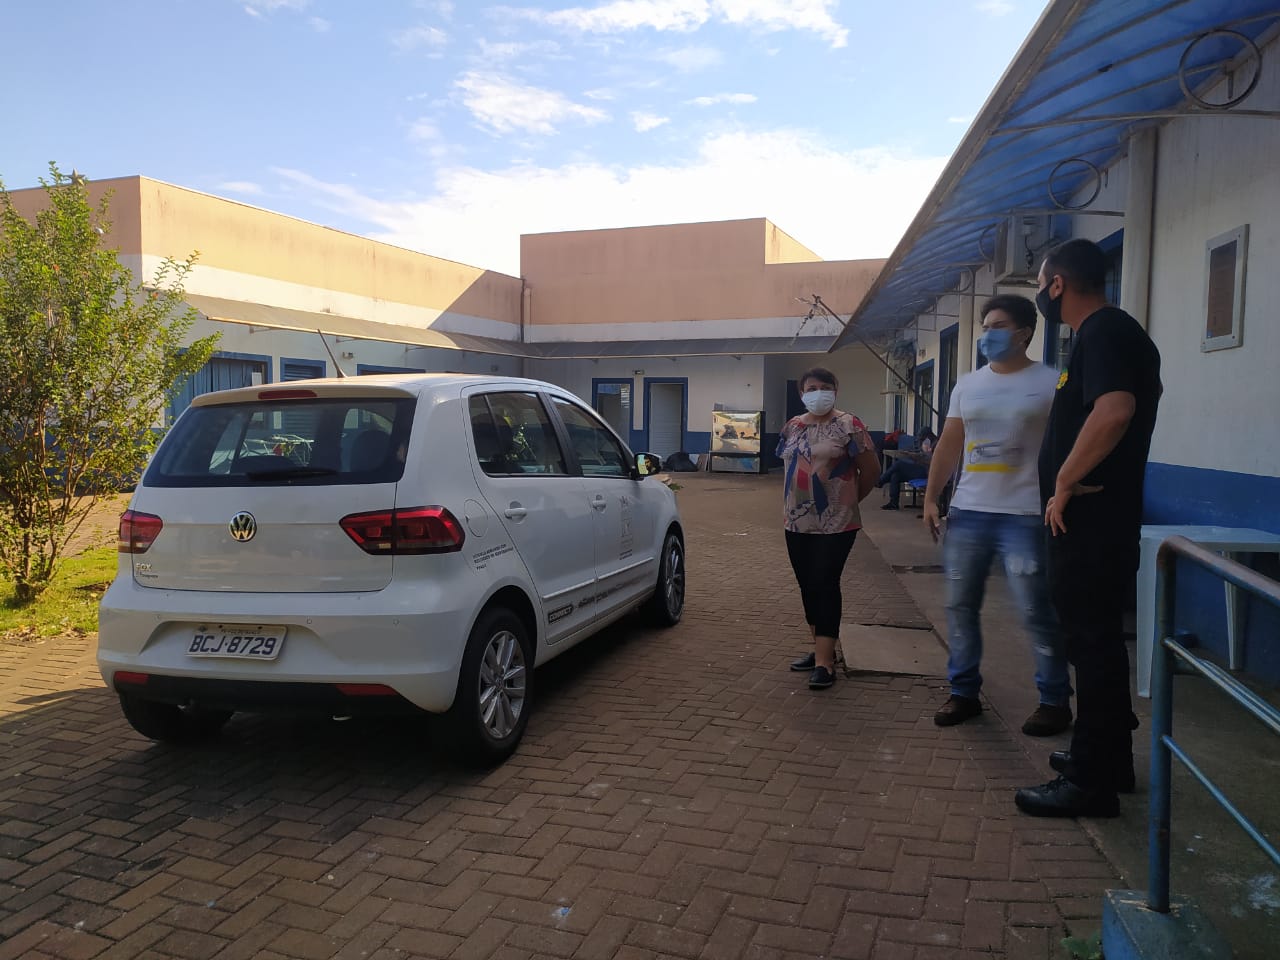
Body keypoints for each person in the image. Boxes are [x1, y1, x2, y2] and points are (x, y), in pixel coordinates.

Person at [1015, 239, 1162, 818]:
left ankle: (1090, 783)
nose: (1042, 295)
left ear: (1057, 284)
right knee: (1094, 642)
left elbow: (1115, 410)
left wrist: (1065, 480)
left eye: (1041, 285)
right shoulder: (1103, 334)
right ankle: (1109, 759)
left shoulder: (1105, 331)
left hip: (1092, 522)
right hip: (1093, 521)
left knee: (1092, 646)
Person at [922, 294, 1072, 737]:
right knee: (960, 607)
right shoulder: (968, 385)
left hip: (1026, 514)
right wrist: (932, 498)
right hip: (969, 512)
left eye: (999, 326)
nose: (988, 334)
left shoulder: (1051, 382)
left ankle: (1054, 701)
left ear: (1024, 332)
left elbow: (1071, 443)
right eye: (985, 326)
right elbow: (950, 444)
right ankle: (963, 692)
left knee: (1035, 610)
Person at [777, 367, 881, 690]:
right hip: (796, 521)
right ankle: (821, 648)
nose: (818, 392)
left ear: (835, 390)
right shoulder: (793, 426)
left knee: (824, 582)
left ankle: (825, 663)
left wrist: (849, 502)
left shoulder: (850, 425)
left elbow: (871, 470)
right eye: (811, 388)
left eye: (825, 386)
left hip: (836, 523)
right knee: (807, 585)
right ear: (802, 393)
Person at [876, 427, 936, 510]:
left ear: (927, 435)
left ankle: (881, 480)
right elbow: (920, 453)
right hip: (921, 469)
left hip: (927, 472)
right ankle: (893, 503)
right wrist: (910, 453)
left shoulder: (935, 444)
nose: (920, 439)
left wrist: (913, 456)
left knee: (899, 464)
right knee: (896, 475)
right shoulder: (927, 441)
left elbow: (928, 460)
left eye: (921, 437)